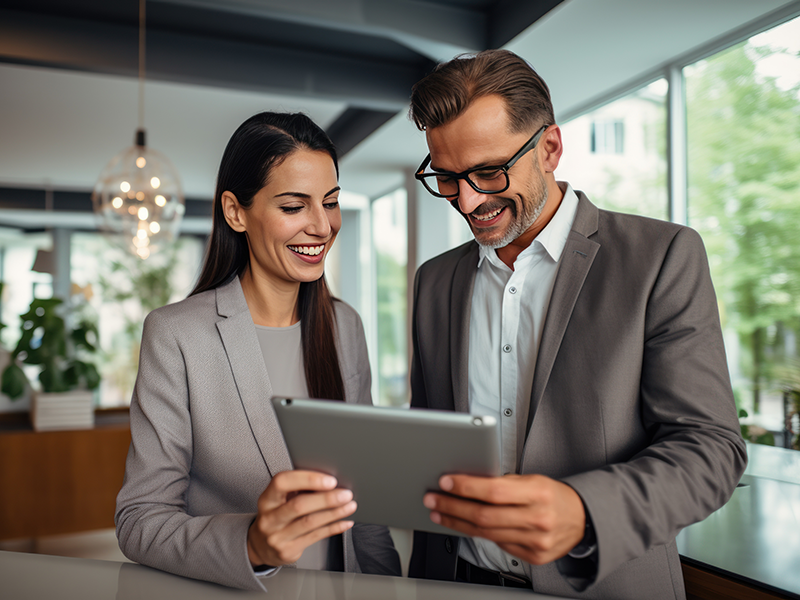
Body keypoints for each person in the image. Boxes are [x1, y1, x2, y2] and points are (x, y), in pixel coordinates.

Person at [406, 50, 747, 599]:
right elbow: (429, 440)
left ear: (549, 149)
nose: (468, 200)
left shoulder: (661, 257)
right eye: (446, 177)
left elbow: (710, 448)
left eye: (489, 172)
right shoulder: (434, 281)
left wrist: (585, 511)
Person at [116, 112, 401, 591]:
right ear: (235, 212)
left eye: (329, 203)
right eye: (294, 207)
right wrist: (252, 543)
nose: (322, 226)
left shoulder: (345, 326)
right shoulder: (176, 335)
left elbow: (363, 506)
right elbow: (140, 520)